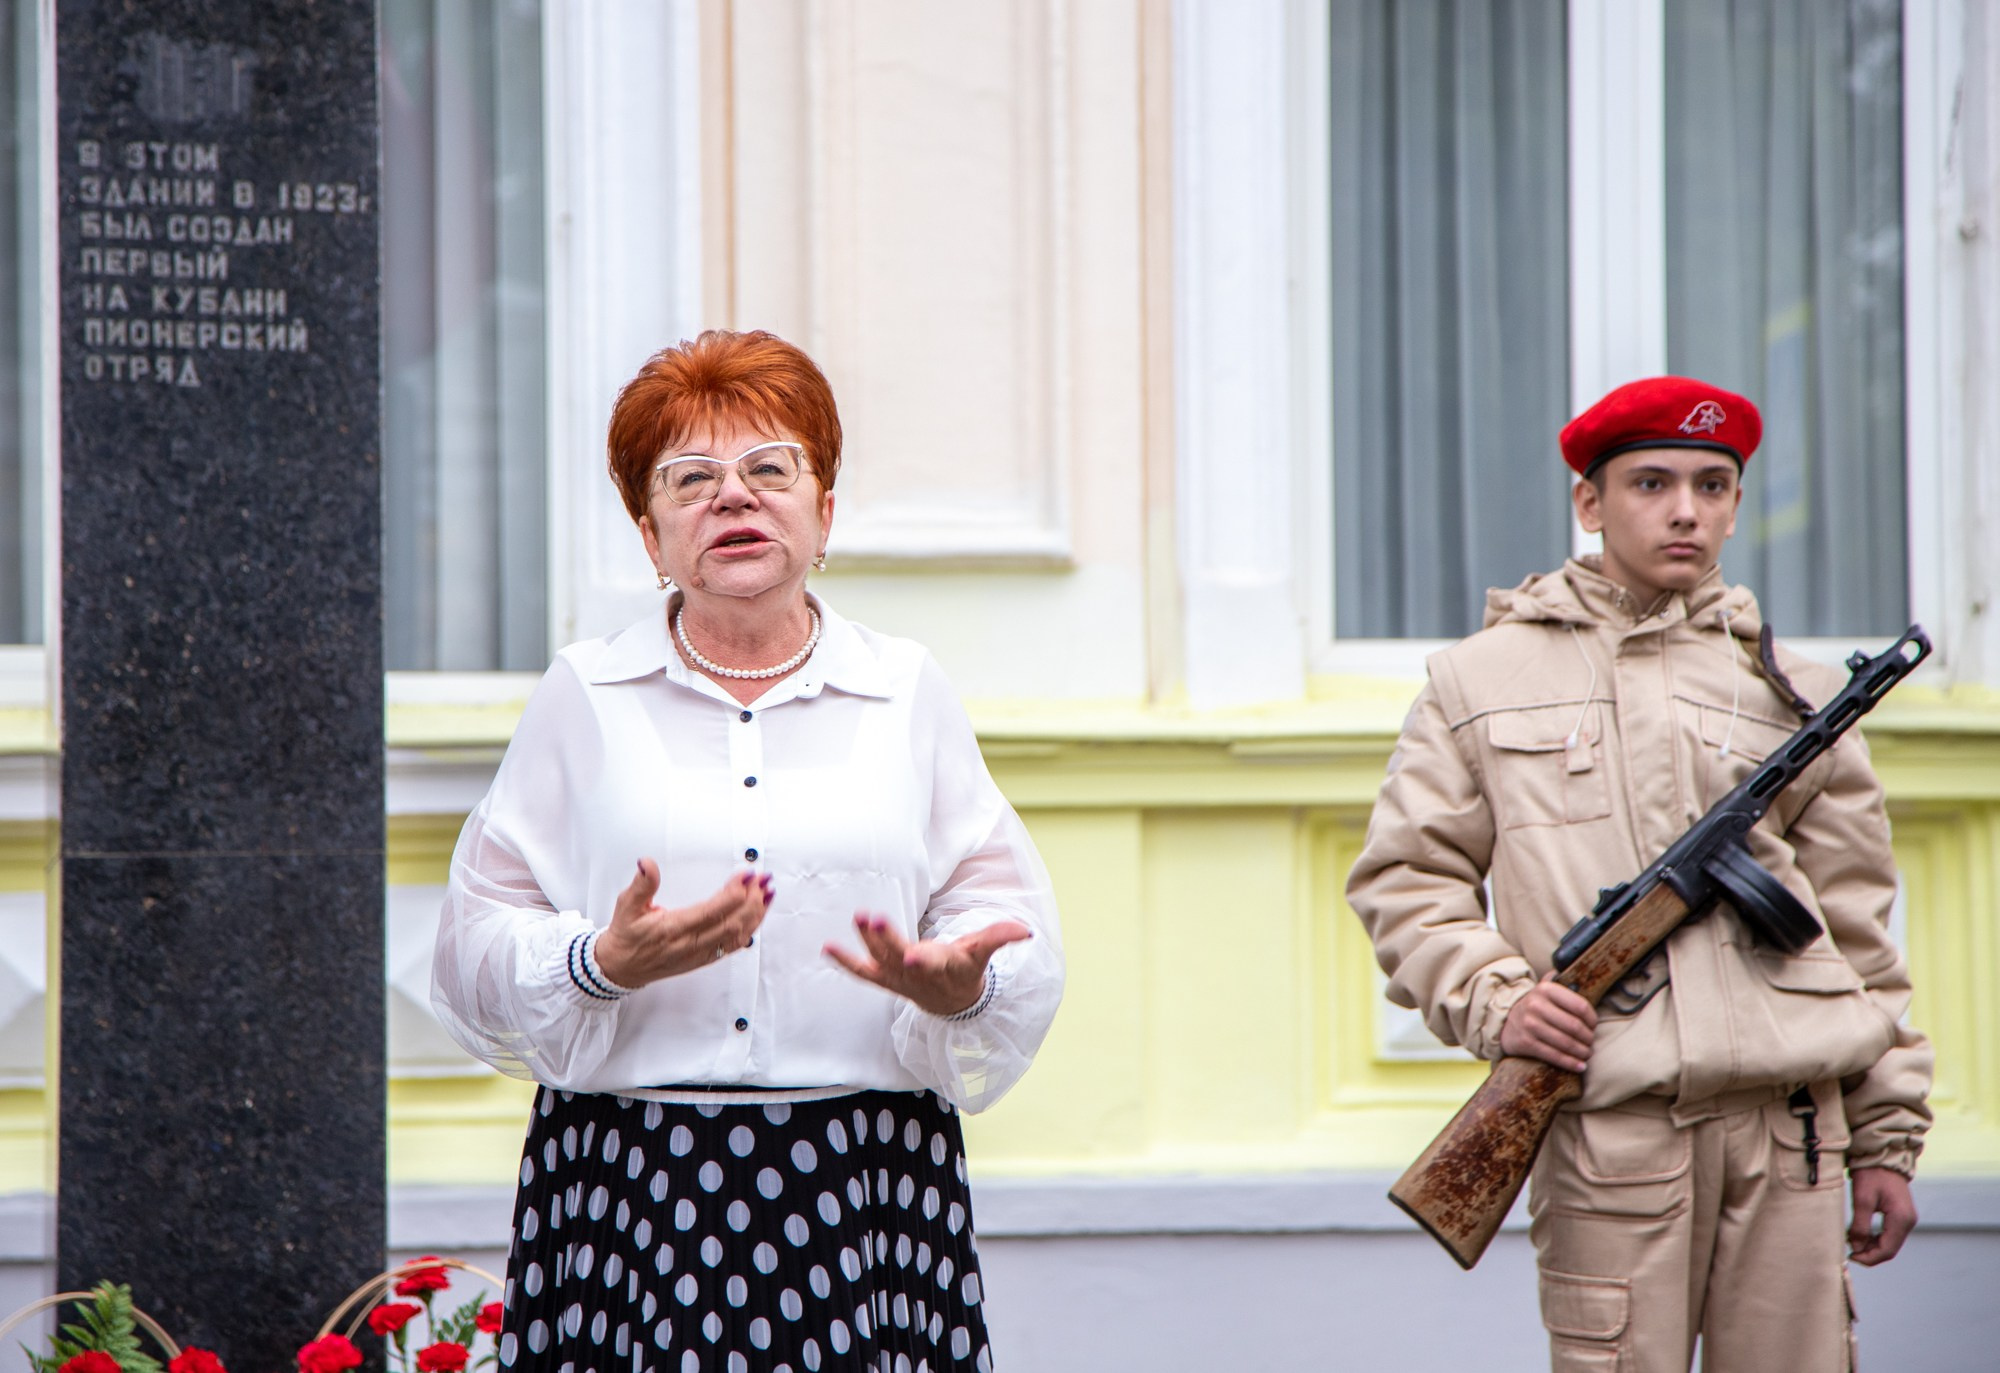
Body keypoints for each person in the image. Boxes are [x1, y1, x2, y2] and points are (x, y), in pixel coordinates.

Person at [432, 328, 1065, 1373]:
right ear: (649, 534)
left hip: (863, 1175)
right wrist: (599, 961)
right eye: (690, 479)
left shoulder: (904, 685)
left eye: (770, 468)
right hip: (632, 1179)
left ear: (824, 509)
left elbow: (999, 913)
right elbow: (470, 940)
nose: (733, 497)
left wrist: (958, 982)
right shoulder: (584, 692)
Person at [1346, 376, 1932, 1372]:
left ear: (1736, 505)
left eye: (1711, 485)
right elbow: (1407, 880)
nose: (1683, 509)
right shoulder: (1477, 677)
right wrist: (1500, 1002)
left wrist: (1883, 1135)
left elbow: (1857, 924)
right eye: (1649, 482)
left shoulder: (1795, 690)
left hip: (1788, 1128)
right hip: (1612, 1130)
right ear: (1588, 502)